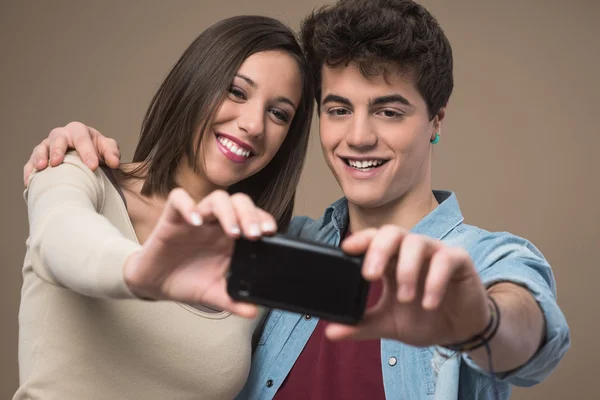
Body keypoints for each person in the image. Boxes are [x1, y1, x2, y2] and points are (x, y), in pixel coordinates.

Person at [23, 0, 570, 399]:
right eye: (337, 109)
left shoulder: (478, 261)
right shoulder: (277, 245)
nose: (357, 136)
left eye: (388, 110)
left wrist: (480, 322)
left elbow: (532, 335)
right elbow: (70, 246)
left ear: (435, 122)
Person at [16, 15, 315, 400]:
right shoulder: (79, 173)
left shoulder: (265, 255)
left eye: (279, 113)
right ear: (196, 81)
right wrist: (142, 270)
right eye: (237, 92)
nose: (254, 125)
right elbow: (61, 238)